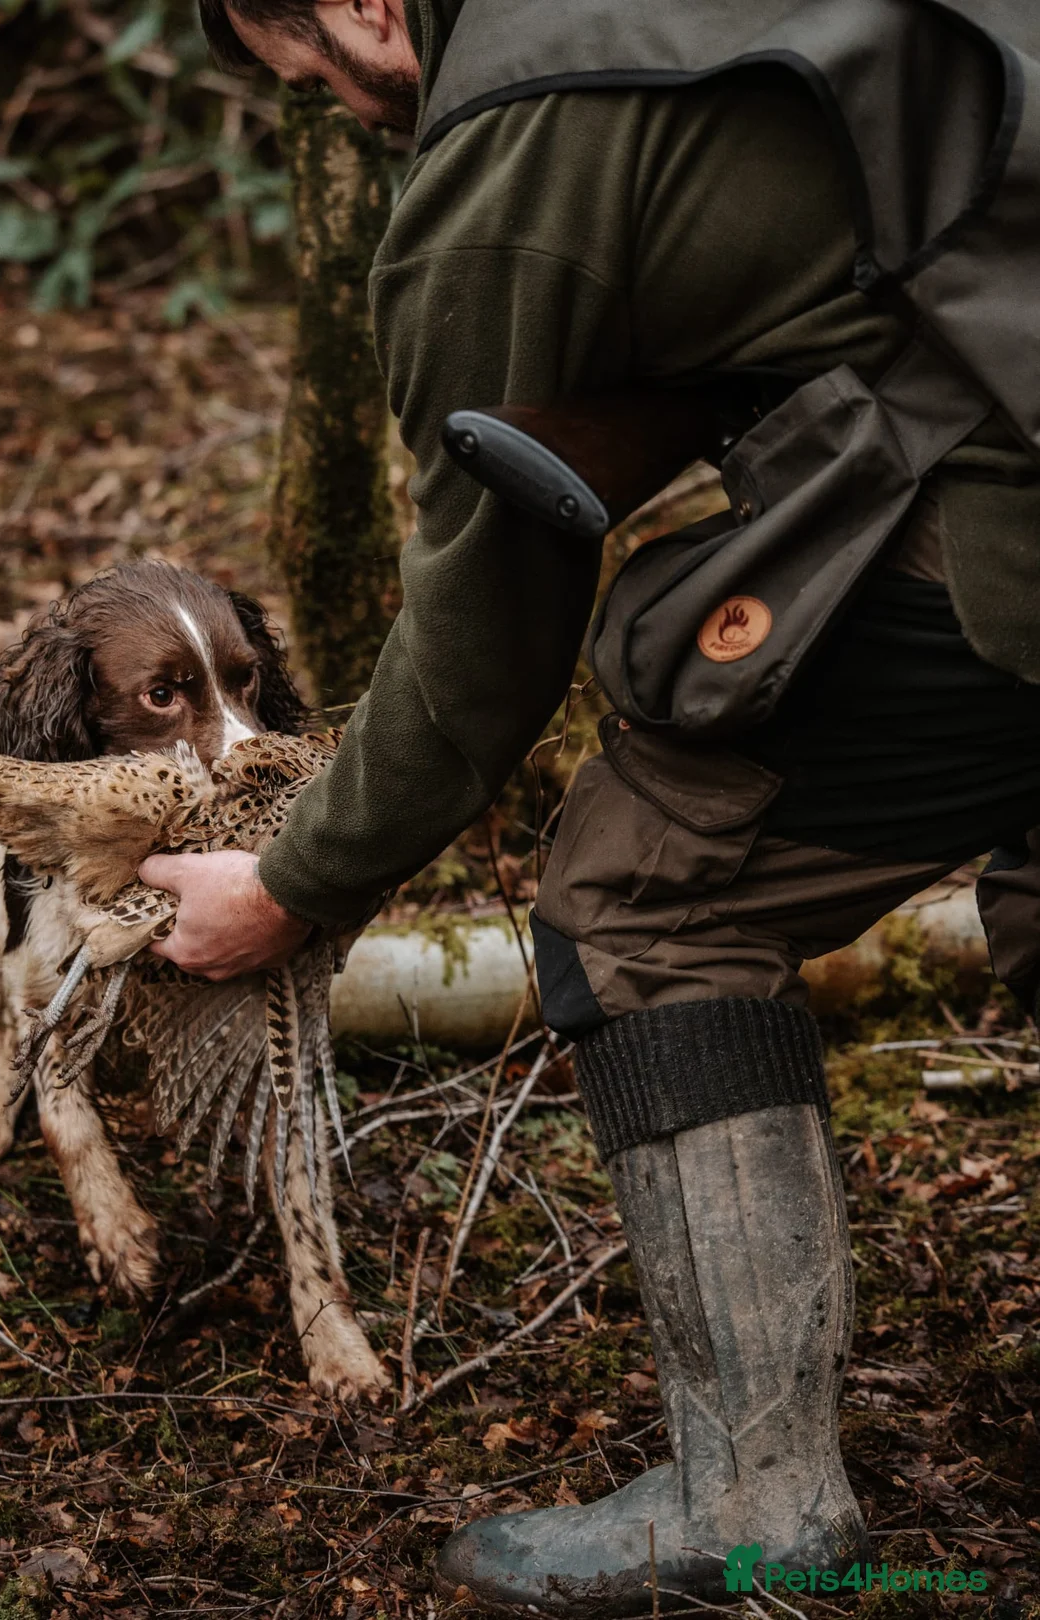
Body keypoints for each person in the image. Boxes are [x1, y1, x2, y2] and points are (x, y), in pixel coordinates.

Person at [138, 1, 1040, 1611]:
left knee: (649, 898)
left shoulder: (508, 145)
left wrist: (289, 884)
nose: (357, 128)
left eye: (327, 95)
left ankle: (752, 1500)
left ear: (353, 4)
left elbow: (480, 644)